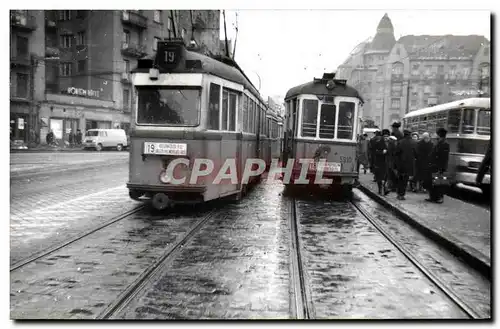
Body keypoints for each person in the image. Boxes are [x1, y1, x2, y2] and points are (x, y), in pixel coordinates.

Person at [426, 128, 450, 203]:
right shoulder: (439, 142)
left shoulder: (445, 143)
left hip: (439, 167)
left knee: (440, 183)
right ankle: (433, 197)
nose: (436, 135)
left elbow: (444, 157)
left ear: (440, 134)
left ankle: (439, 198)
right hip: (434, 166)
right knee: (433, 182)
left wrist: (441, 168)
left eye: (437, 133)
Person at [395, 130, 417, 200]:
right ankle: (401, 194)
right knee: (405, 179)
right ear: (410, 134)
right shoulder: (414, 142)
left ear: (404, 134)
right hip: (409, 164)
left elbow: (396, 153)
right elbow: (416, 154)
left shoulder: (400, 142)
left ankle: (399, 193)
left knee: (400, 179)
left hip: (401, 164)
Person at [373, 129, 391, 195]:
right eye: (385, 136)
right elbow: (374, 152)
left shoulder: (391, 143)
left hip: (388, 162)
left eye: (387, 136)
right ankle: (380, 189)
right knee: (380, 177)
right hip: (380, 162)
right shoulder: (378, 142)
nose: (386, 137)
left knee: (386, 177)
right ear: (382, 136)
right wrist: (381, 152)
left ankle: (385, 189)